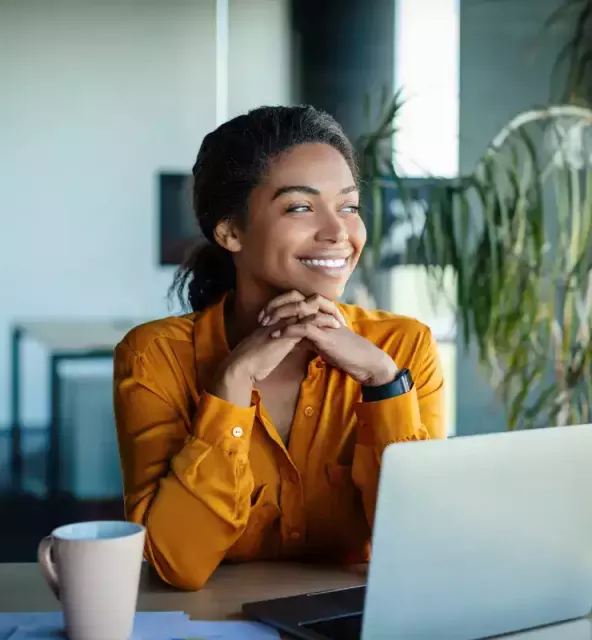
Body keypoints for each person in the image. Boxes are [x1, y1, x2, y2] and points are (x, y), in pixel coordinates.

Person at [113, 105, 445, 591]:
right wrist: (230, 387)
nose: (339, 233)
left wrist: (383, 385)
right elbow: (175, 563)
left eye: (349, 207)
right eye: (300, 207)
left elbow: (423, 547)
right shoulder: (154, 357)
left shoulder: (401, 349)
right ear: (229, 231)